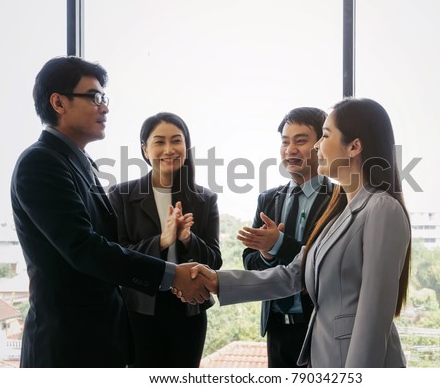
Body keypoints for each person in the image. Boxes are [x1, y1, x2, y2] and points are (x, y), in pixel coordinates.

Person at [10, 56, 209, 368]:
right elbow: (85, 249)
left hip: (102, 338)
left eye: (104, 98)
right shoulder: (40, 163)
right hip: (67, 345)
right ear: (59, 103)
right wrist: (171, 274)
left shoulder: (82, 164)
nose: (104, 107)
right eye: (94, 97)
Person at [184, 98, 412, 368]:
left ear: (354, 146)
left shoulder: (381, 209)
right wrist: (217, 281)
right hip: (322, 357)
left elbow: (373, 321)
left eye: (325, 136)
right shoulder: (341, 211)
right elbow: (292, 275)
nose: (317, 146)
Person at [108, 112, 222, 367]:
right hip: (139, 309)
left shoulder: (205, 199)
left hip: (189, 309)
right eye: (159, 142)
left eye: (176, 141)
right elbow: (116, 256)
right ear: (145, 150)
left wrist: (187, 239)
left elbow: (214, 260)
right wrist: (161, 241)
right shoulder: (121, 196)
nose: (169, 149)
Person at [239, 107, 334, 368]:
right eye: (285, 141)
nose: (290, 149)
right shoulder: (267, 200)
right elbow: (250, 263)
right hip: (277, 328)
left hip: (319, 326)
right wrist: (266, 254)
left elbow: (327, 263)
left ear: (321, 144)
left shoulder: (340, 200)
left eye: (300, 141)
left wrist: (278, 244)